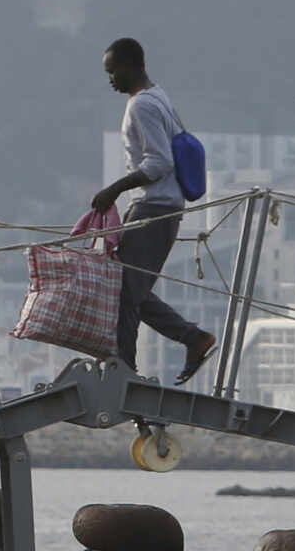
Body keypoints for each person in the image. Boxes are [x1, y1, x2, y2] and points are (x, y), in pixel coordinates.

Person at [92, 37, 217, 384]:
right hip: (155, 205)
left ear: (130, 66)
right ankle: (193, 339)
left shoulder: (142, 106)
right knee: (130, 287)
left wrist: (113, 189)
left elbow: (159, 162)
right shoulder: (158, 96)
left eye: (112, 71)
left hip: (155, 206)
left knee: (124, 292)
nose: (110, 80)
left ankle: (124, 372)